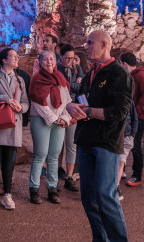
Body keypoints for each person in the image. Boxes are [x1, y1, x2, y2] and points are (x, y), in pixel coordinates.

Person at [67, 30, 133, 242]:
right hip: (86, 141)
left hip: (106, 142)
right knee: (88, 198)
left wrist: (86, 112)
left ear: (104, 44)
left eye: (89, 43)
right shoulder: (91, 74)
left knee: (106, 196)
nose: (86, 47)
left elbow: (119, 112)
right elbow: (82, 98)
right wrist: (71, 106)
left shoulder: (119, 74)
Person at [0, 48, 29, 211]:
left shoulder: (20, 79)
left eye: (17, 56)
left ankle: (7, 194)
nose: (17, 59)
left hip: (13, 121)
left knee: (9, 160)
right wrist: (6, 99)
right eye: (13, 56)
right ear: (3, 60)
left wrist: (19, 106)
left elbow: (26, 103)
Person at [28, 50, 73, 205]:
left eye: (51, 59)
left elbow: (67, 101)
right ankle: (34, 189)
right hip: (41, 119)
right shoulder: (36, 79)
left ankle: (52, 189)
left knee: (54, 156)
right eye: (46, 59)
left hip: (59, 121)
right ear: (40, 62)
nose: (49, 62)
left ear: (55, 61)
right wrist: (53, 118)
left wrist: (65, 118)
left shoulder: (61, 78)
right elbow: (38, 101)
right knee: (40, 154)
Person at [57, 43, 85, 192]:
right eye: (67, 58)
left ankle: (69, 177)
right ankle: (55, 175)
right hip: (60, 109)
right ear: (60, 56)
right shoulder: (56, 68)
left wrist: (74, 84)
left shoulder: (76, 67)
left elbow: (81, 86)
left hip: (73, 108)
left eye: (72, 58)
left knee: (71, 144)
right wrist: (75, 83)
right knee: (57, 145)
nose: (69, 61)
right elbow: (65, 86)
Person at [121, 52, 144, 187]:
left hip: (138, 117)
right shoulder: (132, 76)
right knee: (129, 144)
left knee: (136, 145)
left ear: (124, 64)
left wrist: (135, 117)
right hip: (132, 116)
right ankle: (123, 170)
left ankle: (137, 175)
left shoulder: (142, 77)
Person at [116, 100, 138, 201]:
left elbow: (135, 119)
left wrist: (132, 135)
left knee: (121, 162)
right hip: (113, 137)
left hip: (126, 137)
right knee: (113, 162)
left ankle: (116, 187)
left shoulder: (129, 101)